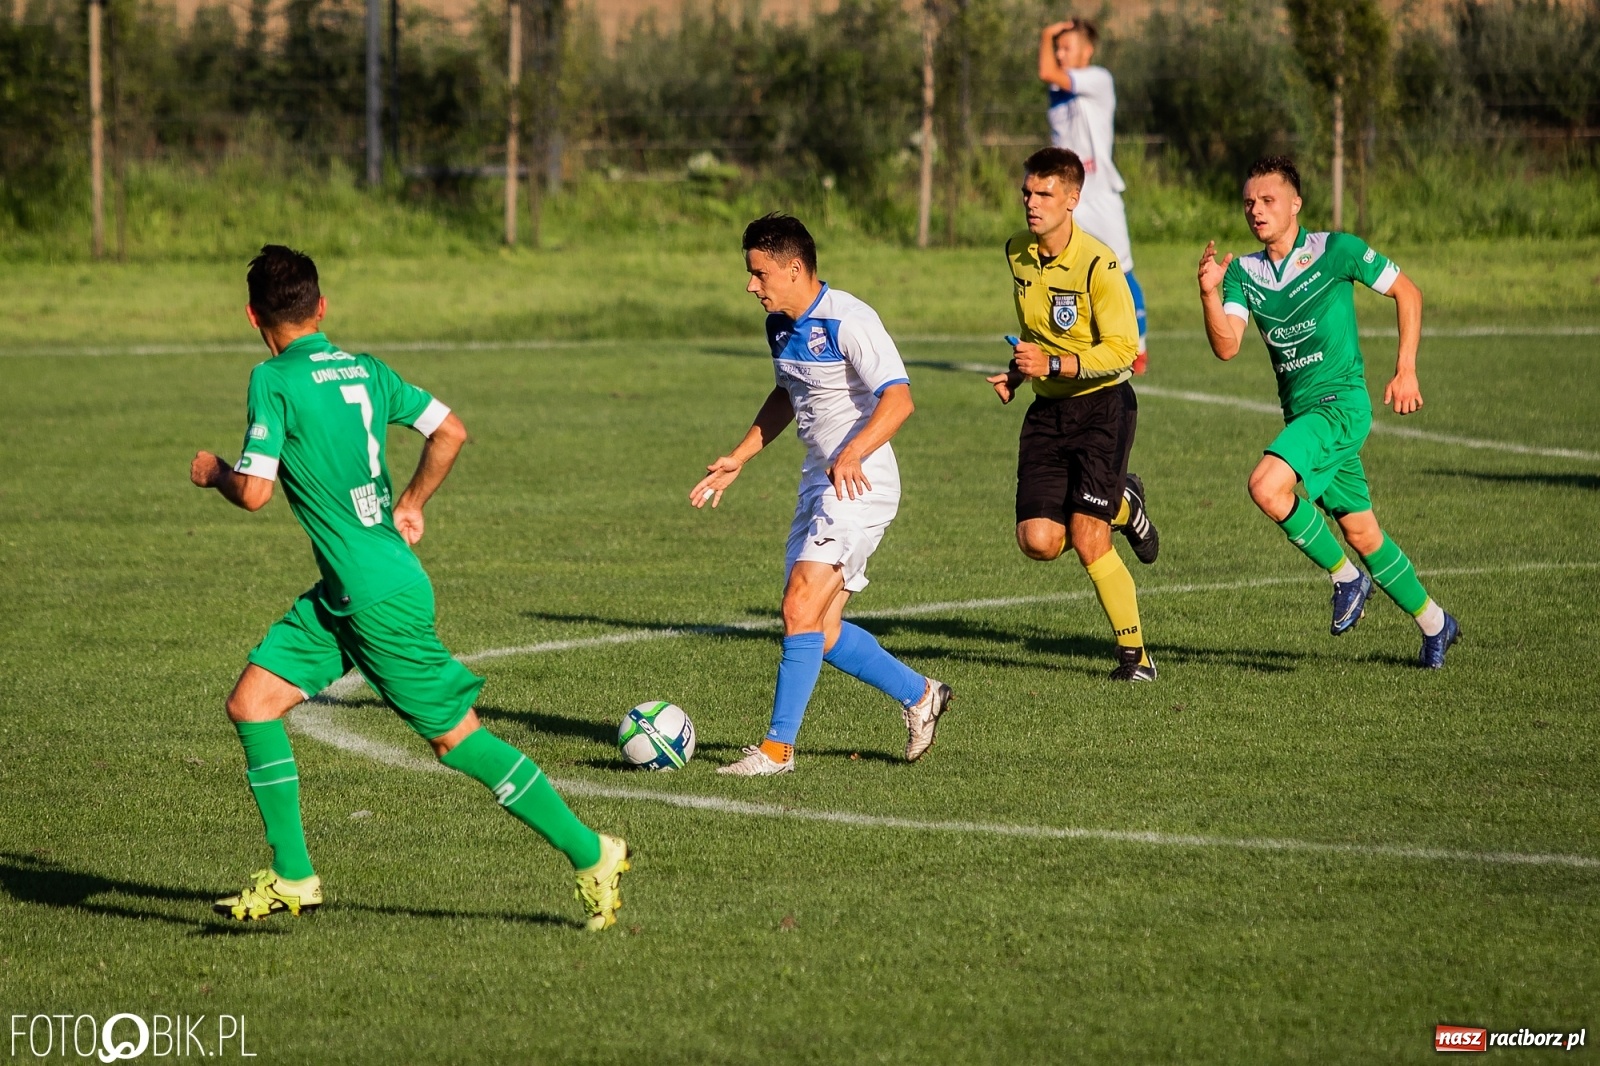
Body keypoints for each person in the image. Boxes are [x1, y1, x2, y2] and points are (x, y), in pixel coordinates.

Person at [191, 245, 631, 929]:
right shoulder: (366, 370)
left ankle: (591, 851)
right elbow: (450, 431)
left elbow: (252, 493)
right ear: (321, 307)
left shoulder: (271, 379)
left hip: (377, 600)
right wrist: (414, 501)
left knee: (459, 742)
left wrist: (216, 471)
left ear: (253, 315)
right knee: (253, 703)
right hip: (350, 589)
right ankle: (294, 875)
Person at [690, 214, 952, 776]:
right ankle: (921, 694)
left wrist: (854, 452)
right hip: (820, 478)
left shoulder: (849, 320)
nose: (750, 285)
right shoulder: (780, 326)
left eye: (759, 274)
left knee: (798, 605)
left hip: (861, 480)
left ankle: (777, 751)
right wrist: (741, 454)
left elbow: (899, 400)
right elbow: (789, 392)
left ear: (793, 268)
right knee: (821, 630)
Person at [1197, 156, 1460, 667]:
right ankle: (1436, 623)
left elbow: (1408, 292)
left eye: (1268, 200)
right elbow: (1227, 345)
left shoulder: (1336, 250)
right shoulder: (1244, 274)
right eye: (1249, 202)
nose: (1257, 210)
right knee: (1363, 532)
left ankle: (1346, 578)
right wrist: (1208, 293)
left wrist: (1406, 369)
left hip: (1341, 405)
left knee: (1265, 486)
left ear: (1296, 204)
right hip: (1304, 417)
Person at [988, 147, 1160, 682]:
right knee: (1038, 541)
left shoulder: (1099, 264)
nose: (1031, 203)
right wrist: (1019, 372)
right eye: (1027, 192)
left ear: (1072, 199)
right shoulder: (1017, 252)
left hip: (1103, 408)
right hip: (1048, 411)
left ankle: (1136, 659)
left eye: (1044, 194)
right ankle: (1123, 505)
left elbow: (1123, 352)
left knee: (1088, 540)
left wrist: (1055, 363)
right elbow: (1040, 331)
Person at [1037, 17, 1148, 374]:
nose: (1060, 53)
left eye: (1067, 47)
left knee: (1123, 271)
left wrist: (1045, 33)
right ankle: (1066, 341)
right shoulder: (1058, 93)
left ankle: (1139, 348)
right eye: (1057, 47)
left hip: (1100, 194)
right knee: (1060, 266)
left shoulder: (1099, 79)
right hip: (1068, 198)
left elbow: (1046, 72)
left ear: (1088, 51)